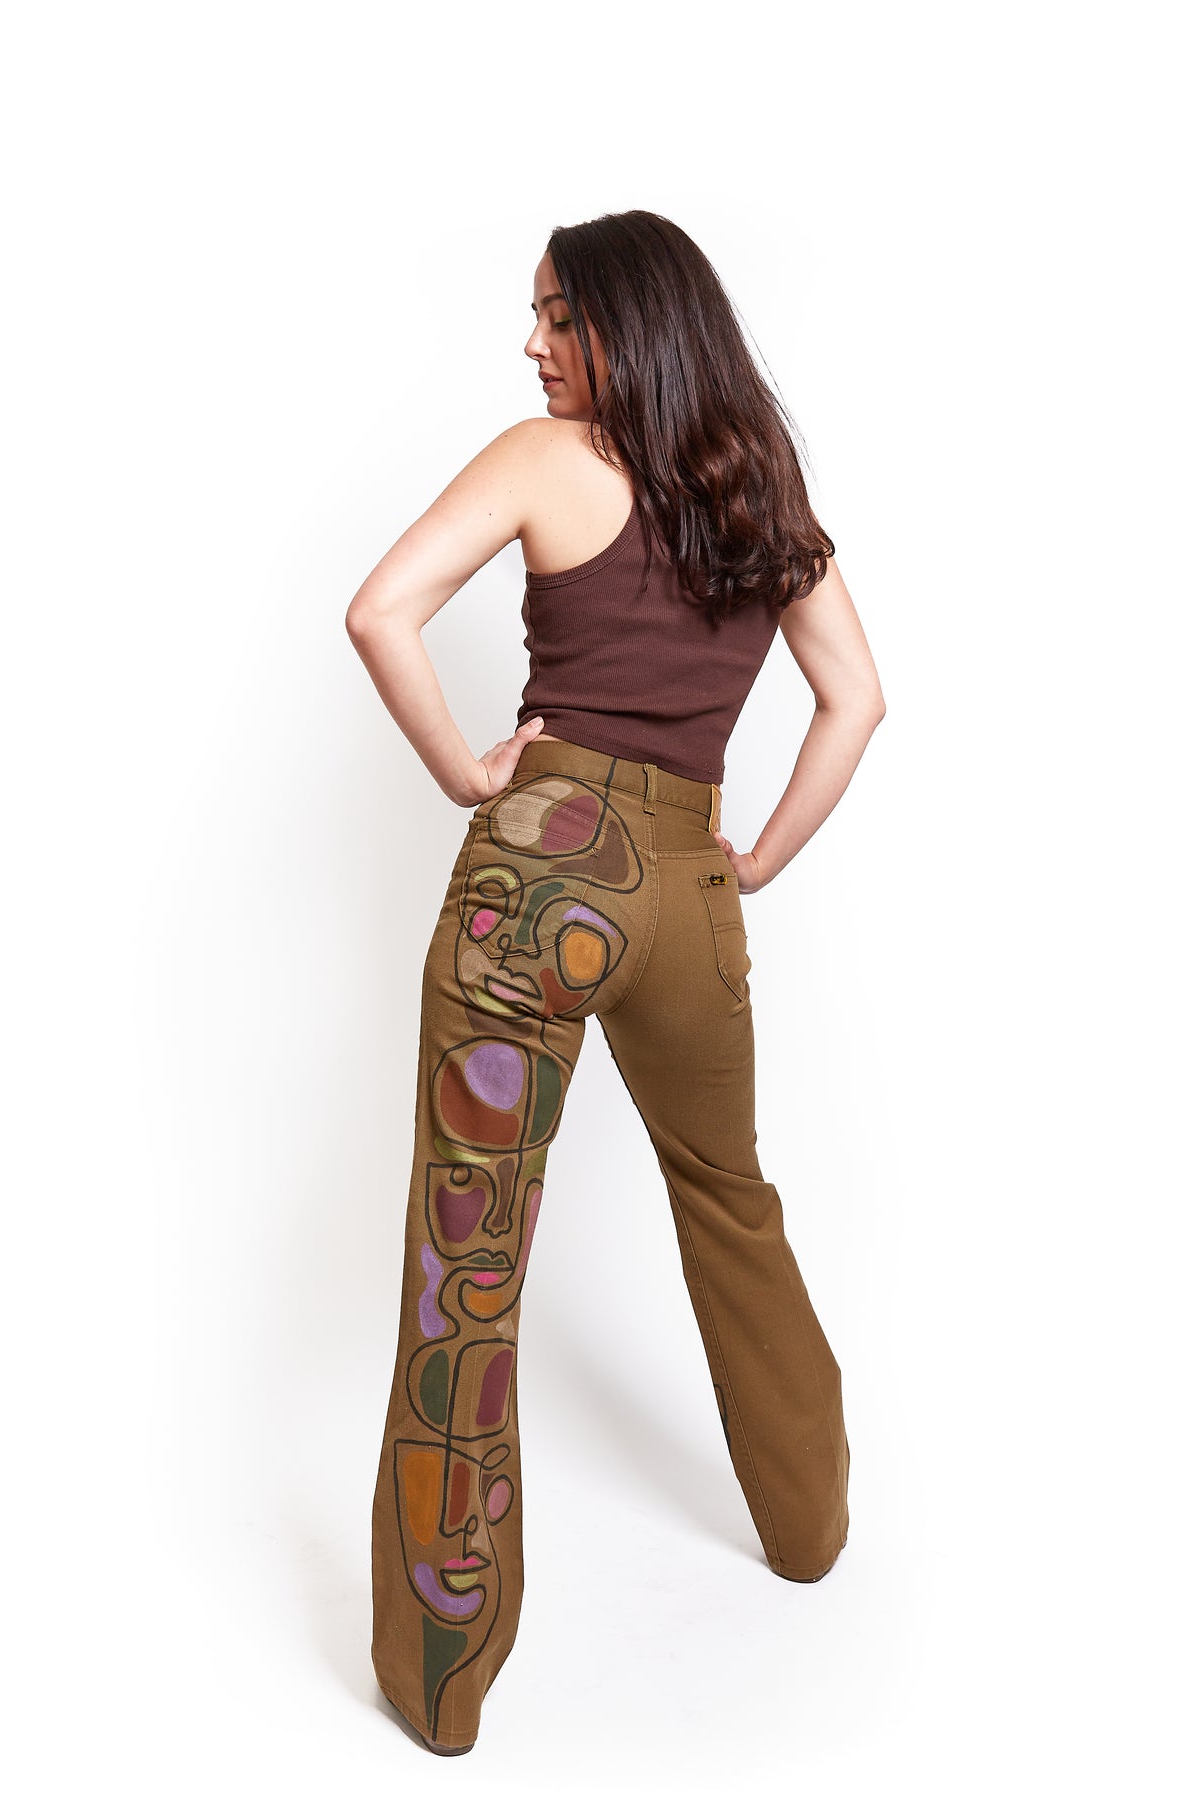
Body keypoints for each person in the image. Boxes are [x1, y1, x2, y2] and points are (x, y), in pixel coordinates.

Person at [345, 209, 885, 1756]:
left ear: (626, 322)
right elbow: (856, 699)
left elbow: (380, 609)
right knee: (730, 1195)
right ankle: (809, 1527)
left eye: (556, 315)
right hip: (688, 889)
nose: (532, 344)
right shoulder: (758, 487)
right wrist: (750, 861)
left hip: (538, 878)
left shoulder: (543, 458)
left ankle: (438, 1687)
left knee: (467, 1257)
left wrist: (469, 772)